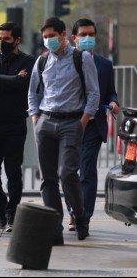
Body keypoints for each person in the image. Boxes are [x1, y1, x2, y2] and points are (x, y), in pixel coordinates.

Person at [28, 17, 100, 245]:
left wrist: (84, 121)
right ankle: (54, 228)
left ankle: (80, 216)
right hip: (45, 122)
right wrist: (36, 118)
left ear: (63, 35)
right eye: (45, 37)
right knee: (47, 179)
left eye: (52, 36)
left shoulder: (81, 58)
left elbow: (94, 93)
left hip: (72, 123)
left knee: (67, 173)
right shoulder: (41, 61)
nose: (49, 40)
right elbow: (33, 93)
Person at [0, 22, 36, 232]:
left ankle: (11, 214)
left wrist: (0, 82)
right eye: (0, 38)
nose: (2, 42)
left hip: (15, 126)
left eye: (7, 39)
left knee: (13, 173)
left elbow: (25, 84)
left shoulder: (28, 61)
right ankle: (0, 206)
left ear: (17, 40)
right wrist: (12, 79)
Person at [65, 18, 119, 233]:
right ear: (74, 38)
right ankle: (72, 211)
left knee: (87, 171)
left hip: (93, 126)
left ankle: (83, 217)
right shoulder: (65, 61)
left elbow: (110, 91)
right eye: (83, 34)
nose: (88, 38)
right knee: (68, 172)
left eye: (91, 35)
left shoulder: (104, 64)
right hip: (69, 124)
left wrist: (114, 102)